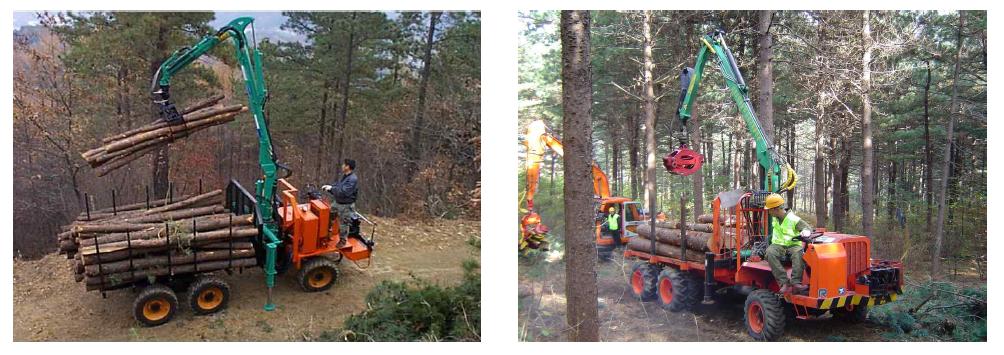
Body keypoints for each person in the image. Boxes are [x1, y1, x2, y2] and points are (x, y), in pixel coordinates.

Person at [764, 193, 813, 294]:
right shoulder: (775, 218)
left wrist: (805, 232)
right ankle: (784, 282)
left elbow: (807, 228)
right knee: (769, 253)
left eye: (769, 210)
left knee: (798, 253)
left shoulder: (793, 219)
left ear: (776, 209)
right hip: (778, 245)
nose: (768, 212)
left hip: (793, 245)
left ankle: (796, 283)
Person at [322, 159, 358, 247]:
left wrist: (331, 189)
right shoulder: (345, 176)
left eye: (344, 164)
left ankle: (343, 241)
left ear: (348, 167)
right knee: (329, 218)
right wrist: (329, 187)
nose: (342, 166)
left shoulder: (352, 179)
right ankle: (326, 235)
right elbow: (338, 187)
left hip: (346, 205)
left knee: (344, 224)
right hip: (337, 202)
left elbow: (343, 192)